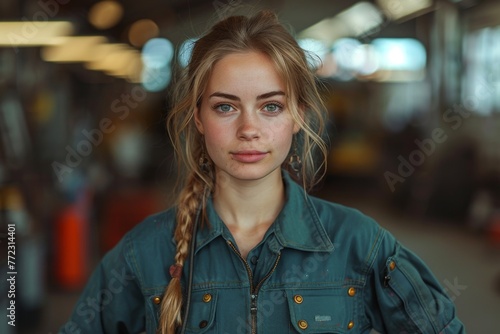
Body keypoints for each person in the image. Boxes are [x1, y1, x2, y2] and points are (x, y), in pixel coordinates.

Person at [60, 10, 466, 334]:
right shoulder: (142, 254)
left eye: (270, 106)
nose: (249, 129)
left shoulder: (359, 245)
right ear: (198, 117)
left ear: (298, 116)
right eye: (225, 106)